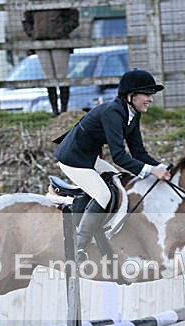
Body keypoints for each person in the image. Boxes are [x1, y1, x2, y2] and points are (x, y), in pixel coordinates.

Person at [54, 69, 171, 262]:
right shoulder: (113, 112)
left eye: (151, 95)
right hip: (72, 158)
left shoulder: (133, 113)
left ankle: (104, 231)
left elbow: (139, 153)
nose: (150, 99)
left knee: (119, 183)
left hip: (89, 157)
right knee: (104, 194)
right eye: (147, 94)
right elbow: (119, 156)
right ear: (131, 96)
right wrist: (151, 170)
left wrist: (163, 167)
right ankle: (78, 247)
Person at [22, 7, 80, 115]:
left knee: (61, 76)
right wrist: (33, 33)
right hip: (40, 42)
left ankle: (64, 110)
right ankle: (54, 110)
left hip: (59, 42)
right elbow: (27, 19)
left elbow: (73, 16)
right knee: (48, 77)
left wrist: (61, 30)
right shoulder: (34, 4)